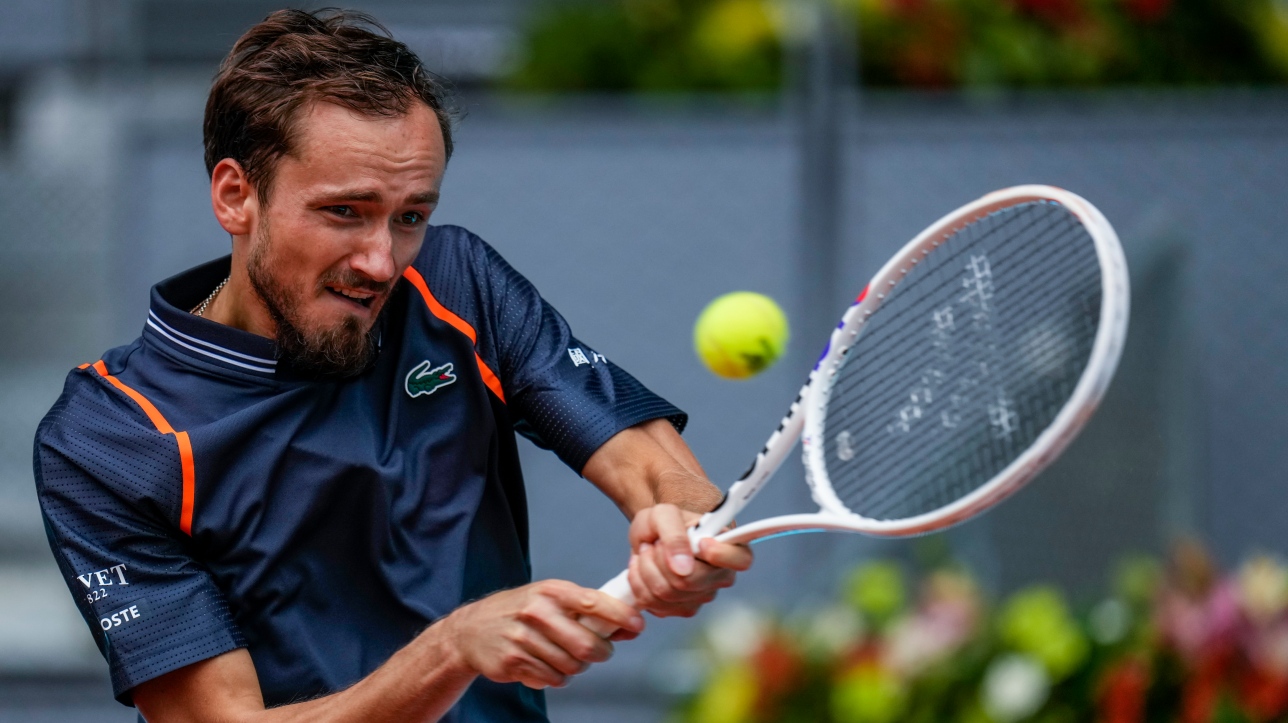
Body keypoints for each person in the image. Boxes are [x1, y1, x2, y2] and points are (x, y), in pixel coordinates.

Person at [32, 9, 751, 722]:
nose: (382, 261)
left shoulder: (456, 281)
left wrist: (680, 527)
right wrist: (451, 650)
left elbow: (654, 466)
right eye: (346, 211)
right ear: (236, 195)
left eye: (410, 216)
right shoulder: (110, 436)